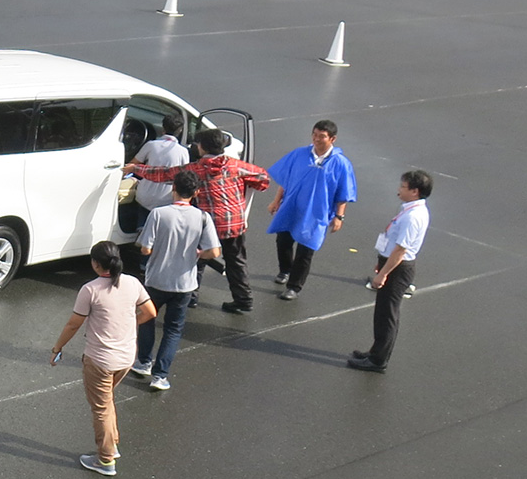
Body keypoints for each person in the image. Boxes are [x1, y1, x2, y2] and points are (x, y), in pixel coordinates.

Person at [130, 128, 270, 314]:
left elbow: (163, 174)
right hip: (234, 223)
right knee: (236, 261)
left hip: (208, 224)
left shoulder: (195, 169)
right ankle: (243, 299)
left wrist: (135, 169)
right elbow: (263, 178)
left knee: (197, 259)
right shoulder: (236, 166)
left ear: (202, 147)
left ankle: (191, 296)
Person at [50, 242, 156, 476]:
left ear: (96, 264)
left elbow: (73, 324)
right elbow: (150, 312)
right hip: (127, 357)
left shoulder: (91, 289)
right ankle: (112, 444)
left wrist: (57, 347)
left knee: (100, 408)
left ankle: (105, 460)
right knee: (107, 401)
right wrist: (129, 325)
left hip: (99, 360)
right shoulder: (132, 283)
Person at [131, 169, 220, 391]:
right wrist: (198, 254)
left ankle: (143, 362)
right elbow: (214, 252)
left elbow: (145, 248)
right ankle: (160, 376)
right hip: (185, 284)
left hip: (156, 279)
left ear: (173, 188)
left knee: (146, 319)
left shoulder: (159, 214)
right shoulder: (202, 217)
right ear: (196, 192)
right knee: (173, 329)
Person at [350, 170, 433, 373]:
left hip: (398, 268)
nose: (399, 190)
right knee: (382, 313)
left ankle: (378, 360)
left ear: (415, 191)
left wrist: (383, 274)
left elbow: (400, 251)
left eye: (403, 187)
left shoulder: (413, 217)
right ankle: (375, 351)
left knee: (387, 314)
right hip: (392, 263)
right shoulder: (410, 210)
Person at [265, 120, 356, 300]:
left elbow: (343, 193)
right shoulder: (299, 154)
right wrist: (276, 201)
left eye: (321, 136)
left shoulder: (341, 164)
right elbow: (285, 179)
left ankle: (294, 287)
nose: (316, 139)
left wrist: (339, 216)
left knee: (305, 250)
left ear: (332, 139)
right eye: (314, 135)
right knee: (283, 241)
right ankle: (285, 270)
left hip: (316, 214)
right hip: (291, 207)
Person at [123, 114, 191, 260]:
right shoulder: (183, 152)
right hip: (166, 200)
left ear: (163, 129)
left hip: (145, 197)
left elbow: (132, 165)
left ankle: (141, 244)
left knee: (144, 228)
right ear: (180, 131)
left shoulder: (151, 145)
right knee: (159, 233)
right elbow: (183, 175)